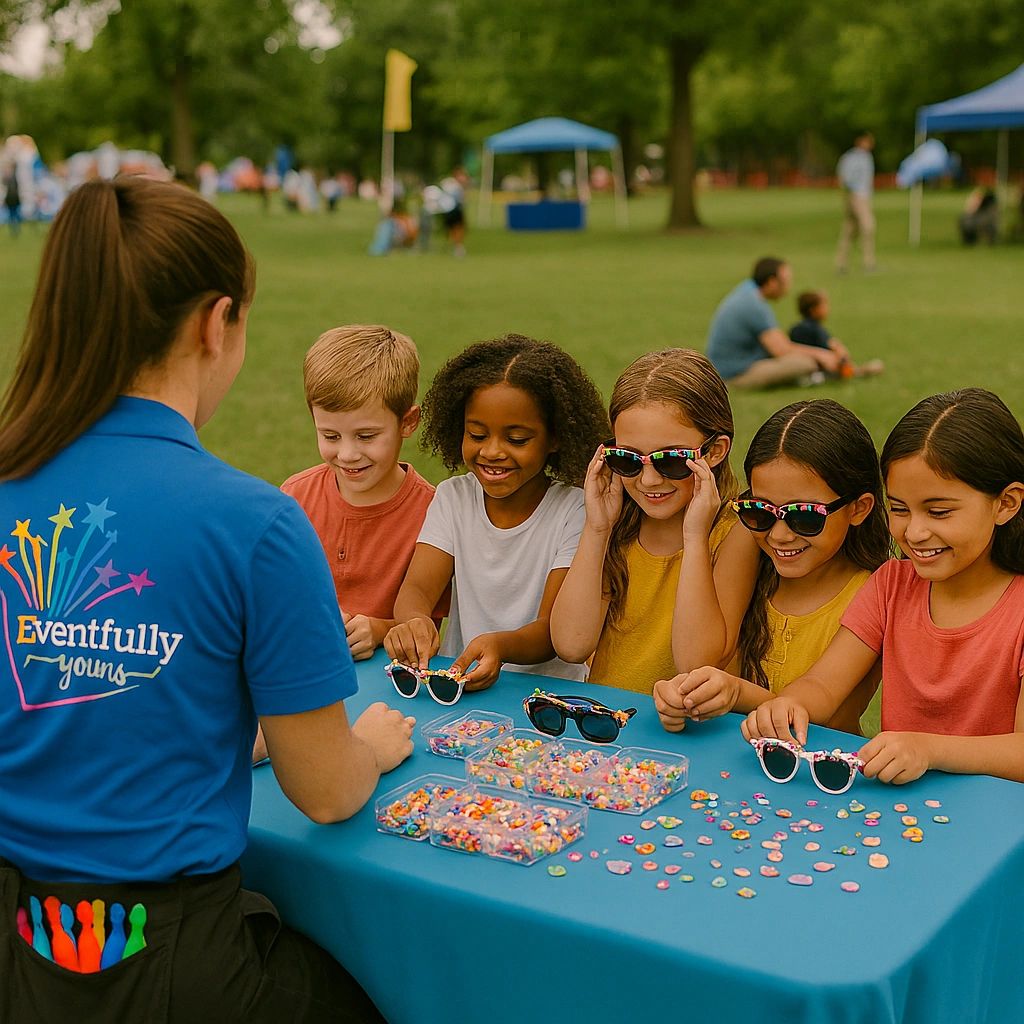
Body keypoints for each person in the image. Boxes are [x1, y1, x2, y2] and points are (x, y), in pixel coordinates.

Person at [0, 177, 415, 1023]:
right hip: (169, 955)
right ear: (215, 322)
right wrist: (370, 745)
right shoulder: (254, 524)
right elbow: (329, 794)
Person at [742, 388, 1024, 785]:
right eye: (900, 508)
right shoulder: (891, 584)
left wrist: (928, 749)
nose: (916, 531)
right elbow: (824, 684)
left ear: (1007, 503)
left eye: (939, 511)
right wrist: (791, 704)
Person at [654, 399, 891, 735]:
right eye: (760, 510)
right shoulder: (751, 540)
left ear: (859, 508)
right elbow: (697, 660)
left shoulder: (876, 590)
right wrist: (687, 695)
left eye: (805, 516)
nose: (779, 534)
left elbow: (818, 712)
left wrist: (735, 692)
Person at [383, 334, 609, 687]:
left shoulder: (574, 509)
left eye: (516, 440)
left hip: (546, 698)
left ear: (555, 438)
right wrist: (414, 620)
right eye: (477, 434)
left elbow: (551, 630)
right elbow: (418, 590)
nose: (492, 452)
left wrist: (499, 646)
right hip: (461, 687)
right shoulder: (453, 497)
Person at [550, 349, 759, 695]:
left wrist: (695, 538)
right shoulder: (616, 523)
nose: (648, 481)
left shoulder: (735, 533)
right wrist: (597, 528)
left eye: (671, 461)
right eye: (628, 459)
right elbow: (571, 644)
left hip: (688, 736)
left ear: (716, 451)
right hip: (610, 729)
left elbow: (696, 664)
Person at [281, 325, 444, 661]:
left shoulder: (434, 513)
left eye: (366, 436)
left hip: (390, 689)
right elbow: (270, 598)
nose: (348, 454)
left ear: (408, 422)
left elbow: (427, 627)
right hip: (303, 672)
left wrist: (379, 630)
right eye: (330, 436)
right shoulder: (294, 498)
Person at [706, 257, 842, 389]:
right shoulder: (753, 305)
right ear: (772, 282)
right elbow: (781, 350)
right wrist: (822, 355)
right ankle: (813, 378)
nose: (788, 287)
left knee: (801, 358)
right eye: (786, 281)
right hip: (734, 375)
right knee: (805, 363)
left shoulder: (747, 291)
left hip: (727, 368)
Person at [789, 291, 884, 378]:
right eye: (824, 306)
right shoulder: (816, 329)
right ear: (814, 310)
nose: (827, 309)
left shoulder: (794, 328)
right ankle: (860, 371)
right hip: (821, 369)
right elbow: (834, 351)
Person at [835, 130, 877, 273]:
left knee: (850, 230)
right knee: (868, 226)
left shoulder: (867, 157)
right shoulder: (851, 158)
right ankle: (868, 263)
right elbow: (844, 178)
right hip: (856, 196)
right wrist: (852, 195)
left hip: (863, 196)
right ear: (860, 141)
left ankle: (842, 263)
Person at [2, 166, 22, 238]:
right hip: (11, 201)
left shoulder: (13, 179)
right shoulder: (8, 179)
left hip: (13, 200)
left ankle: (16, 229)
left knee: (14, 215)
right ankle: (14, 229)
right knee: (12, 215)